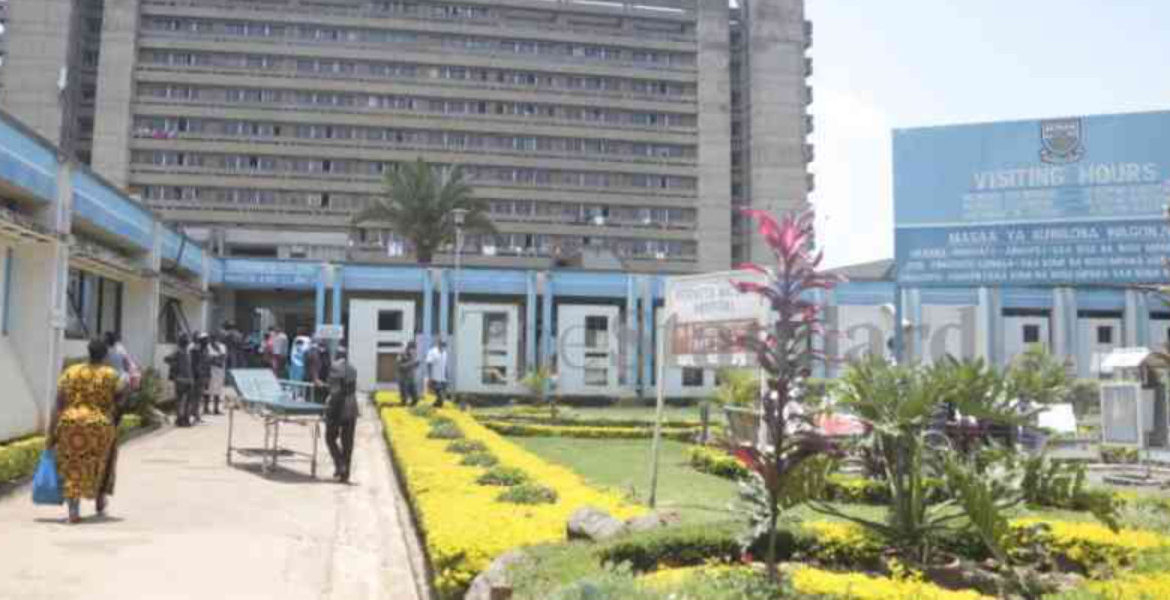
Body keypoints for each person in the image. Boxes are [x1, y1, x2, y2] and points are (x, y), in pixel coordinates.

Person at [48, 339, 126, 523]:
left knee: (73, 465)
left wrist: (51, 431)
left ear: (88, 352)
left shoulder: (71, 372)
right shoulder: (111, 375)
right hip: (99, 426)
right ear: (105, 355)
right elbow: (121, 399)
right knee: (103, 462)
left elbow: (59, 403)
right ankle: (100, 501)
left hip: (70, 425)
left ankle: (73, 512)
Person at [325, 346, 359, 483]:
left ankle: (340, 464)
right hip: (353, 407)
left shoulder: (335, 367)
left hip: (340, 407)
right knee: (348, 442)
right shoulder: (353, 368)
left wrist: (329, 409)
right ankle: (345, 474)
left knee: (330, 437)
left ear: (337, 355)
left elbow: (335, 390)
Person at [166, 334, 196, 427]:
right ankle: (181, 419)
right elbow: (167, 359)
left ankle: (183, 419)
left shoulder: (184, 351)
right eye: (185, 341)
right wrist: (175, 366)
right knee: (183, 401)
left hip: (185, 379)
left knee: (184, 401)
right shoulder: (181, 351)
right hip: (184, 380)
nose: (186, 342)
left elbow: (167, 359)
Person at [204, 332, 227, 415]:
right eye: (212, 339)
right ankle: (205, 408)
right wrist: (215, 359)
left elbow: (223, 357)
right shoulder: (207, 347)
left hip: (219, 372)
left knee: (217, 390)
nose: (214, 340)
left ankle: (216, 409)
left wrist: (213, 358)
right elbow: (207, 358)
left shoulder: (222, 346)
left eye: (215, 338)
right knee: (207, 390)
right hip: (210, 371)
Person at [191, 333, 211, 423]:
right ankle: (193, 415)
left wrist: (208, 377)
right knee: (194, 397)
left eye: (207, 340)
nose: (207, 341)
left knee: (199, 397)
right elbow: (193, 364)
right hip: (196, 376)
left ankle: (196, 415)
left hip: (203, 375)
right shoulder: (195, 350)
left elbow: (207, 364)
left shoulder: (206, 350)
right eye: (205, 340)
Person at [425, 339, 450, 408]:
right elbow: (429, 364)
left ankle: (435, 406)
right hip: (435, 377)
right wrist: (429, 377)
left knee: (442, 396)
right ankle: (436, 405)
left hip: (443, 378)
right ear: (438, 345)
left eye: (444, 346)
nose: (443, 347)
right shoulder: (432, 352)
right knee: (440, 394)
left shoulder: (445, 353)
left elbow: (445, 365)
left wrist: (447, 375)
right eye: (442, 345)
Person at [306, 338, 331, 404]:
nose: (323, 348)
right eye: (321, 345)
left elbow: (328, 367)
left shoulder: (326, 354)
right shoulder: (313, 354)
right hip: (314, 381)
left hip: (323, 381)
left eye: (324, 345)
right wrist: (315, 379)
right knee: (314, 399)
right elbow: (312, 367)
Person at [398, 341, 420, 406]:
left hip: (411, 379)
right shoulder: (402, 354)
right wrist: (411, 364)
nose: (413, 351)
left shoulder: (414, 355)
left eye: (414, 349)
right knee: (404, 400)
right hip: (404, 379)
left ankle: (411, 409)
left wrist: (416, 364)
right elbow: (400, 366)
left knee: (415, 399)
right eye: (412, 349)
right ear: (408, 348)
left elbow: (413, 366)